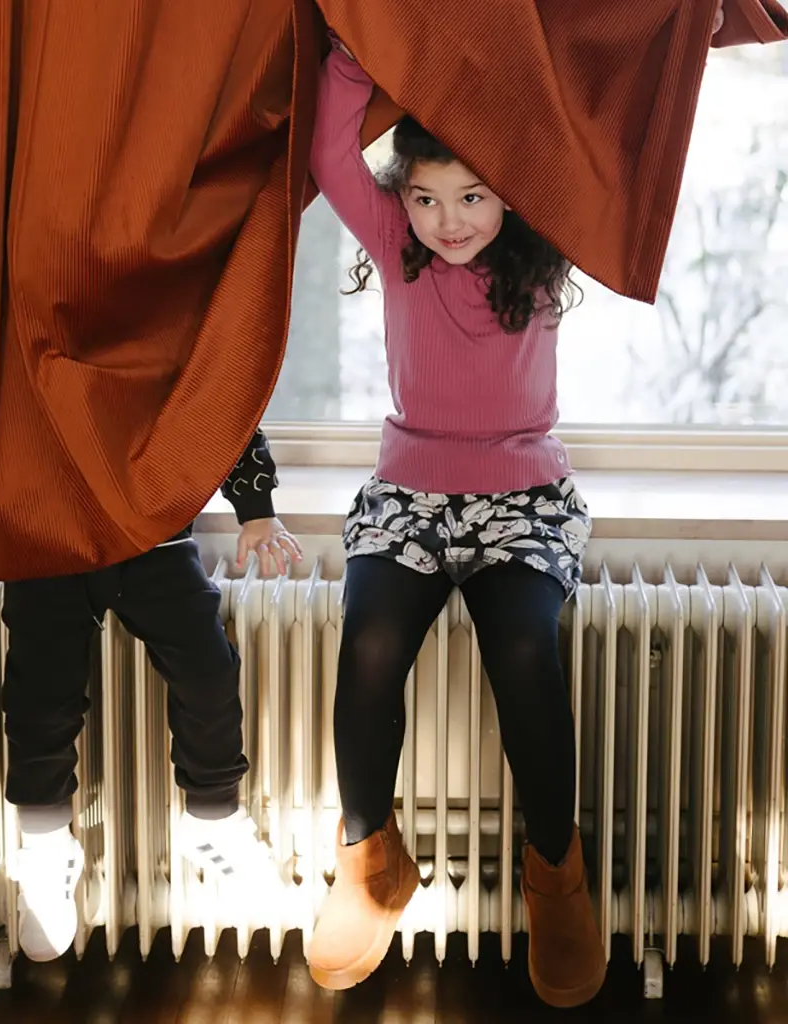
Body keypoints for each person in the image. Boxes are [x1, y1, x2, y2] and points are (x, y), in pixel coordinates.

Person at [305, 40, 604, 1008]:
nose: (448, 221)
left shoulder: (547, 236)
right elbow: (328, 148)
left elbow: (599, 128)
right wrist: (368, 41)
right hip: (411, 490)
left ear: (511, 190)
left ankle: (554, 873)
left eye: (472, 196)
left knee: (522, 650)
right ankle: (368, 857)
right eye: (427, 197)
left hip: (524, 498)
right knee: (369, 643)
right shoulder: (396, 239)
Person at [0, 428, 302, 962]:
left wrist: (255, 508)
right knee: (40, 699)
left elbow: (220, 401)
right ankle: (45, 847)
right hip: (45, 536)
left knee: (208, 673)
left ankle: (213, 818)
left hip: (152, 536)